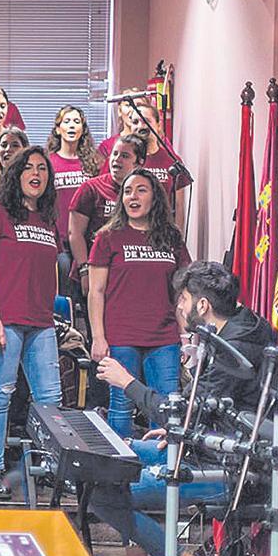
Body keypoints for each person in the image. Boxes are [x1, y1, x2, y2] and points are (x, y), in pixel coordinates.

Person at [93, 261, 276, 556]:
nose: (179, 307)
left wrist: (126, 382)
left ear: (202, 305)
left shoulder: (235, 351)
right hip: (204, 448)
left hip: (227, 469)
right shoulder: (239, 328)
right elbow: (203, 409)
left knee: (101, 494)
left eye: (184, 299)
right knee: (111, 456)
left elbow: (178, 411)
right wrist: (179, 430)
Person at [0, 146, 63, 496]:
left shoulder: (47, 219)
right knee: (0, 394)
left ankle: (50, 467)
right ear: (16, 174)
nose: (36, 174)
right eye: (28, 168)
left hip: (40, 321)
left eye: (42, 168)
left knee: (50, 398)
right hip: (2, 319)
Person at [88, 168, 190, 437]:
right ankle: (121, 476)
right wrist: (98, 337)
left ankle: (160, 473)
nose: (133, 196)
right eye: (128, 191)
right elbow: (95, 291)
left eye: (141, 190)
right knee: (121, 406)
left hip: (164, 337)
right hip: (121, 337)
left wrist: (185, 336)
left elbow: (181, 293)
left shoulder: (172, 237)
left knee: (166, 407)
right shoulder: (108, 237)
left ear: (155, 198)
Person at [69, 134, 147, 296]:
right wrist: (84, 270)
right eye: (115, 154)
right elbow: (75, 233)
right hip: (93, 269)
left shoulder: (146, 192)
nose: (116, 160)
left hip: (128, 272)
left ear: (139, 162)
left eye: (124, 156)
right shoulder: (91, 188)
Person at [128, 103, 191, 227]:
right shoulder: (123, 159)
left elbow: (179, 206)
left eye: (146, 121)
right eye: (135, 122)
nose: (140, 126)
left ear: (158, 124)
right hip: (129, 233)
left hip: (161, 232)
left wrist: (178, 239)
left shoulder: (172, 161)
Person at [46, 105, 104, 241]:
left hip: (87, 238)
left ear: (82, 130)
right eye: (66, 122)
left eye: (76, 122)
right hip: (58, 238)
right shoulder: (48, 162)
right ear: (58, 130)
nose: (72, 126)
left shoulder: (95, 162)